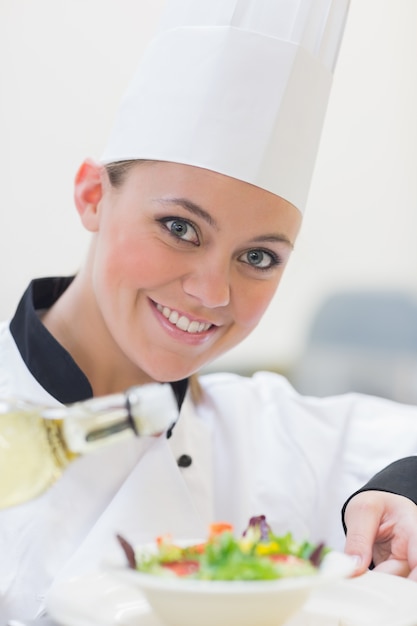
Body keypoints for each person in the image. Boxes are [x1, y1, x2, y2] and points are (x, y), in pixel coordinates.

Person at [1, 0, 417, 620]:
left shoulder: (262, 427)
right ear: (93, 195)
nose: (212, 292)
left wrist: (401, 492)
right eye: (180, 227)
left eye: (258, 257)